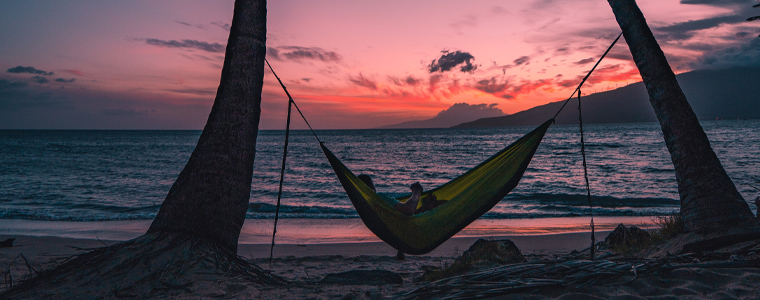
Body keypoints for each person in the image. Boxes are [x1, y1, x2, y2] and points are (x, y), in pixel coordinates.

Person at [358, 174, 422, 216]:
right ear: (371, 185)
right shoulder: (379, 198)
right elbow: (408, 210)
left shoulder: (365, 206)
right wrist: (417, 191)